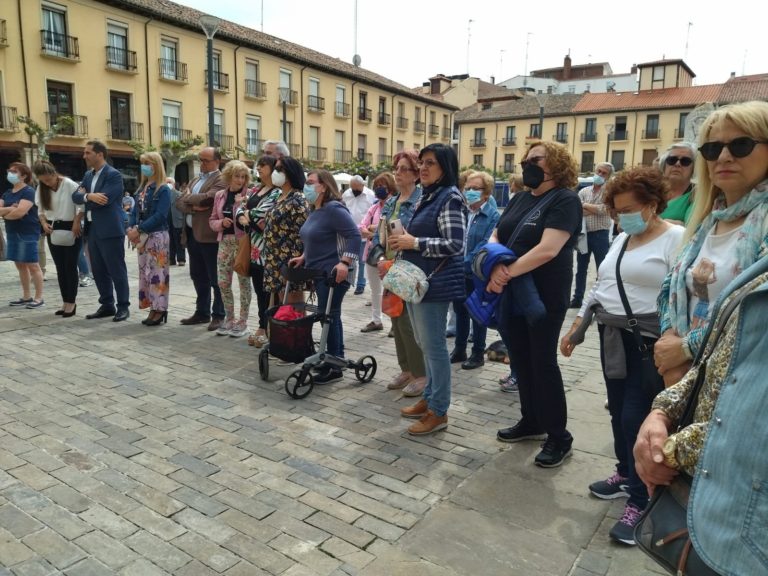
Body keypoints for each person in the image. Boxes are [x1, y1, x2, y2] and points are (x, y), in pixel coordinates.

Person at [560, 167, 685, 544]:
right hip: (612, 336)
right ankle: (626, 473)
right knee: (617, 410)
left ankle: (642, 501)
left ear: (652, 204)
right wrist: (579, 324)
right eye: (616, 211)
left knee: (635, 417)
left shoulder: (676, 238)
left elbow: (683, 294)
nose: (620, 217)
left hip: (648, 342)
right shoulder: (622, 238)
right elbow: (602, 285)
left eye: (628, 210)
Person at [655, 100, 768, 389]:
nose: (724, 157)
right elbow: (670, 287)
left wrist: (685, 348)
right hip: (687, 382)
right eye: (712, 149)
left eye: (741, 145)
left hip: (741, 386)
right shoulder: (708, 219)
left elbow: (756, 314)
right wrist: (669, 339)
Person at [489, 140, 582, 467]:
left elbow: (548, 249)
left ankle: (559, 436)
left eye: (536, 159)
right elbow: (497, 233)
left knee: (542, 363)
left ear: (556, 163)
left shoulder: (566, 200)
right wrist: (495, 263)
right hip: (513, 290)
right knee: (521, 359)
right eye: (525, 160)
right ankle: (532, 421)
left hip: (545, 294)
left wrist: (505, 272)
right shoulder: (519, 198)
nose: (527, 165)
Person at [395, 144, 467, 436]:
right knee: (425, 344)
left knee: (434, 347)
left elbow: (456, 243)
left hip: (435, 285)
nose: (423, 168)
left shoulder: (449, 198)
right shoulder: (430, 195)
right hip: (419, 281)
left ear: (445, 168)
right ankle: (430, 398)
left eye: (430, 163)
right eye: (422, 162)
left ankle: (439, 411)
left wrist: (414, 243)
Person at [289, 169, 361, 384]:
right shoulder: (315, 209)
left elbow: (354, 235)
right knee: (326, 315)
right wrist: (304, 256)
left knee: (329, 315)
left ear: (323, 186)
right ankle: (330, 357)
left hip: (335, 273)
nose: (306, 186)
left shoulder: (334, 209)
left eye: (311, 182)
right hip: (318, 272)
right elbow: (315, 238)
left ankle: (335, 364)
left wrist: (345, 262)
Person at [374, 150, 427, 396]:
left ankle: (420, 375)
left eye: (404, 169)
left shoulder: (421, 201)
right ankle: (406, 369)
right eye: (396, 168)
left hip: (409, 267)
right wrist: (379, 258)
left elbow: (419, 235)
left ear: (416, 174)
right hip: (390, 267)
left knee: (408, 323)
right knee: (395, 319)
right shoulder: (392, 201)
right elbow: (380, 234)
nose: (397, 173)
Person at [72, 140, 130, 322]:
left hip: (110, 229)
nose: (84, 156)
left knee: (116, 269)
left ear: (100, 154)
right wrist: (89, 196)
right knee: (98, 270)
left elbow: (105, 199)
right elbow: (75, 196)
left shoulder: (114, 175)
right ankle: (107, 305)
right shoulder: (88, 175)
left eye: (88, 153)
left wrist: (85, 197)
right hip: (93, 229)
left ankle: (123, 306)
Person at [450, 170, 499, 370]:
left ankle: (478, 353)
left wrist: (462, 262)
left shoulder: (492, 216)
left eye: (475, 188)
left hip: (477, 273)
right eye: (467, 188)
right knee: (460, 311)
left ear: (486, 193)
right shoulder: (462, 212)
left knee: (478, 314)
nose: (469, 192)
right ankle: (459, 349)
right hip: (457, 271)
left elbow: (484, 245)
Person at [176, 147, 227, 331]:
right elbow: (179, 202)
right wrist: (191, 205)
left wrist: (188, 197)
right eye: (200, 159)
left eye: (206, 160)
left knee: (215, 278)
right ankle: (202, 312)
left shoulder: (221, 179)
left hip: (209, 237)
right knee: (198, 275)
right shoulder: (196, 179)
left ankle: (218, 314)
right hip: (192, 234)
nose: (202, 163)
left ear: (217, 161)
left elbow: (208, 199)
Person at [236, 155, 280, 348]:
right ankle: (263, 325)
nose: (259, 168)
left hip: (268, 250)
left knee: (268, 292)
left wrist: (246, 215)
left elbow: (261, 214)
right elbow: (240, 209)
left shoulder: (277, 192)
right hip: (253, 248)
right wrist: (244, 215)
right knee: (259, 290)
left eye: (263, 165)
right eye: (258, 165)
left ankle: (267, 327)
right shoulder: (255, 189)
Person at [125, 152, 171, 327]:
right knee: (146, 273)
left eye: (148, 163)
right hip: (143, 237)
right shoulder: (142, 189)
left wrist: (138, 229)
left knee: (158, 273)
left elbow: (160, 215)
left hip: (157, 236)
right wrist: (130, 227)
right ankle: (153, 306)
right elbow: (134, 212)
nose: (144, 166)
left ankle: (159, 309)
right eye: (143, 163)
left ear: (156, 165)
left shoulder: (163, 189)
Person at [33, 160, 82, 316]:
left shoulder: (69, 184)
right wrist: (44, 224)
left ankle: (71, 302)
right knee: (60, 268)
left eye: (48, 179)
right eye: (43, 181)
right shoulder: (41, 188)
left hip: (71, 227)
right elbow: (40, 210)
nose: (47, 183)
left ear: (54, 173)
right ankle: (65, 301)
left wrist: (76, 223)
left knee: (70, 266)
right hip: (52, 228)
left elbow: (80, 205)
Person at [210, 160, 252, 338]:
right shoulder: (220, 195)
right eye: (237, 176)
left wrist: (242, 205)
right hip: (225, 242)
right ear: (229, 176)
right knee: (223, 282)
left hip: (242, 242)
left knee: (244, 283)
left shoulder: (249, 194)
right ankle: (229, 318)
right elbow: (212, 220)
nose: (240, 180)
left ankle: (243, 321)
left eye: (243, 177)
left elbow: (250, 219)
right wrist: (221, 223)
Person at [262, 156, 310, 301]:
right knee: (284, 306)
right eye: (274, 168)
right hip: (274, 259)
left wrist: (297, 262)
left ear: (290, 172)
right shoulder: (280, 196)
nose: (274, 172)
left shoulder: (297, 199)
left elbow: (303, 232)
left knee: (293, 306)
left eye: (279, 169)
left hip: (289, 260)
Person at [1, 162, 45, 308]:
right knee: (20, 264)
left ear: (24, 176)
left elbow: (20, 212)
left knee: (33, 265)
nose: (10, 173)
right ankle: (26, 296)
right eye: (9, 170)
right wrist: (10, 208)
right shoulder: (7, 193)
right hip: (12, 231)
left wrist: (6, 214)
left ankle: (39, 298)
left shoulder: (28, 192)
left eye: (14, 171)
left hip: (27, 232)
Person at [570, 162, 614, 308]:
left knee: (602, 268)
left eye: (604, 173)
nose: (600, 174)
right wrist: (594, 209)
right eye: (599, 171)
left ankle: (600, 299)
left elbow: (605, 209)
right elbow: (577, 210)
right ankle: (577, 299)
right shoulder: (584, 191)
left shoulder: (609, 192)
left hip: (601, 234)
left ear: (608, 176)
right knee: (581, 268)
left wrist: (585, 205)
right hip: (584, 235)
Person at [358, 172, 394, 333]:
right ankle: (376, 320)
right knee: (375, 290)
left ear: (390, 187)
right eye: (377, 186)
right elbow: (361, 227)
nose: (379, 189)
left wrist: (373, 229)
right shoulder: (374, 207)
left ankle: (395, 323)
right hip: (372, 253)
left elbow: (391, 227)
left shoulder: (394, 205)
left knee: (393, 289)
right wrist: (373, 231)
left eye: (382, 186)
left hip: (390, 254)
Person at [342, 175, 375, 295]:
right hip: (349, 232)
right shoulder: (346, 194)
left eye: (357, 188)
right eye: (352, 188)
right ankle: (346, 282)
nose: (354, 191)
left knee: (362, 261)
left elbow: (373, 213)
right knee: (348, 259)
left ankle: (361, 284)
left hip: (363, 233)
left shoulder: (370, 195)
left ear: (362, 185)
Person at [658, 142, 696, 225]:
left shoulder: (697, 194)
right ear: (664, 165)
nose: (677, 164)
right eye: (672, 160)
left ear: (694, 168)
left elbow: (690, 227)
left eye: (685, 161)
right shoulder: (652, 190)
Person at [166, 177, 186, 266]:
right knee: (169, 241)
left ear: (173, 184)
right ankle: (171, 259)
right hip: (167, 221)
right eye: (166, 182)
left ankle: (181, 259)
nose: (168, 184)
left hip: (177, 220)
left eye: (169, 182)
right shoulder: (163, 194)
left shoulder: (179, 194)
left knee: (179, 240)